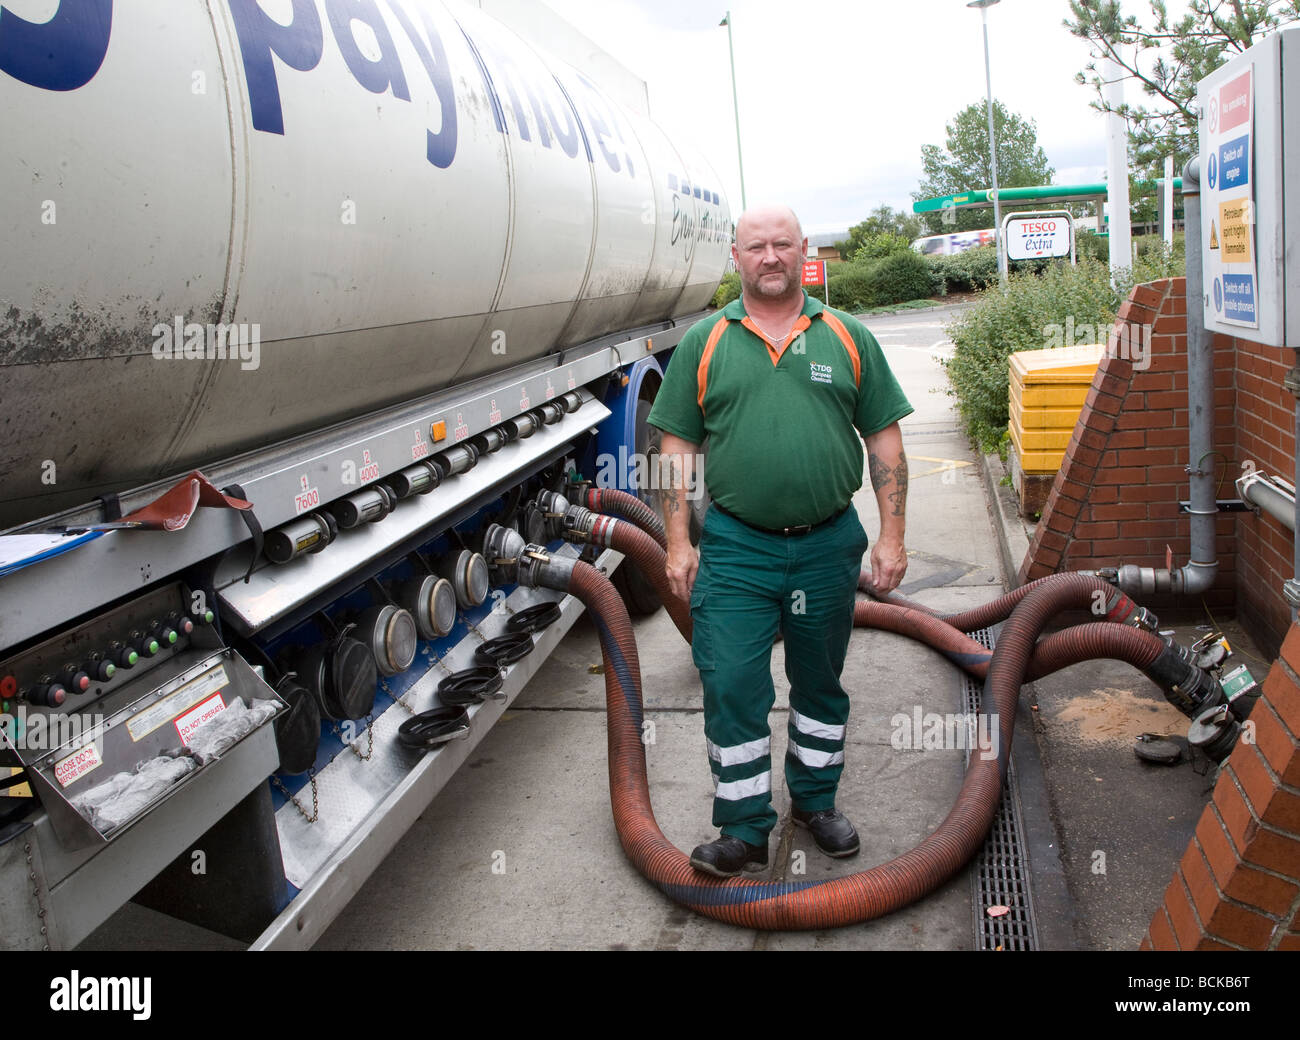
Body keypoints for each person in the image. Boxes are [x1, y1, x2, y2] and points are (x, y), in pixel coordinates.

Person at [646, 203, 912, 877]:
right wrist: (678, 542)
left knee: (820, 683)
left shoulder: (847, 336)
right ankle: (742, 827)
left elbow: (883, 437)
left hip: (828, 546)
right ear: (735, 258)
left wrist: (893, 536)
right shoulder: (707, 343)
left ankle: (816, 802)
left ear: (803, 253)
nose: (771, 256)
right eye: (756, 246)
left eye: (783, 245)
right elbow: (675, 447)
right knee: (732, 682)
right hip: (736, 548)